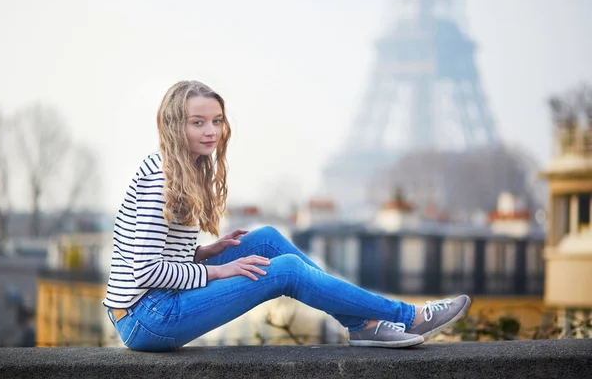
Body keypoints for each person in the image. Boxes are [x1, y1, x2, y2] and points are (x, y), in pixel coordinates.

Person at [102, 80, 471, 352]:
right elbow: (144, 271)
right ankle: (407, 315)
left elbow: (150, 253)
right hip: (146, 317)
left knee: (266, 240)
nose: (211, 131)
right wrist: (218, 270)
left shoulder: (182, 168)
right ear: (173, 125)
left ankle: (361, 323)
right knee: (288, 271)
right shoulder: (159, 178)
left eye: (216, 120)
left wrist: (203, 253)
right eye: (198, 122)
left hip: (156, 301)